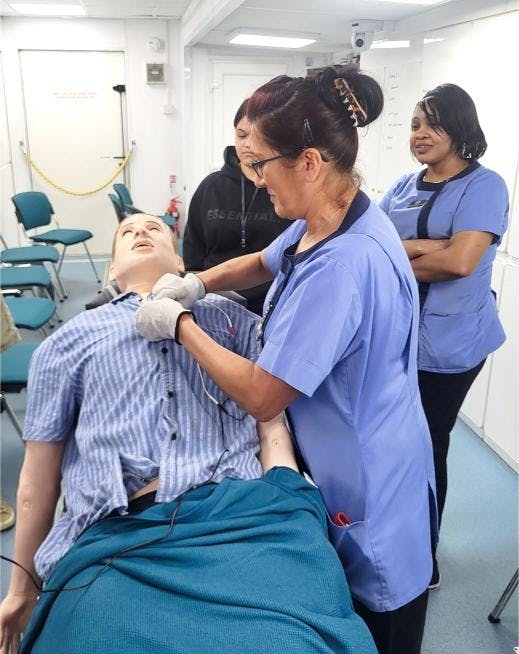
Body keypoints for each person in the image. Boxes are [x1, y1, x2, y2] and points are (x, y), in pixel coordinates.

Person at [135, 67, 437, 654]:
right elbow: (263, 262)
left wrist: (180, 326)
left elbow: (265, 395)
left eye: (262, 165)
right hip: (376, 437)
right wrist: (195, 281)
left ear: (308, 163)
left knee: (377, 628)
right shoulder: (330, 217)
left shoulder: (342, 268)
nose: (255, 178)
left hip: (365, 471)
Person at [0, 213, 376, 654]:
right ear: (112, 272)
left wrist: (290, 494)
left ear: (181, 265)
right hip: (121, 537)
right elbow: (37, 481)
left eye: (155, 229)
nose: (141, 232)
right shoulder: (65, 345)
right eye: (126, 232)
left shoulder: (234, 323)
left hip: (247, 518)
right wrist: (22, 591)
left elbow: (271, 425)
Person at [379, 83, 508, 589]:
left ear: (460, 127)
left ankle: (423, 557)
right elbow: (376, 245)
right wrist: (424, 245)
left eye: (432, 124)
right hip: (400, 339)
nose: (420, 135)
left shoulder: (485, 185)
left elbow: (460, 262)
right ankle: (394, 538)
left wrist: (409, 253)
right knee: (394, 443)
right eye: (414, 125)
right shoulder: (404, 185)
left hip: (451, 347)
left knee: (427, 444)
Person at [183, 98, 289, 315]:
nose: (247, 144)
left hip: (269, 306)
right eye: (241, 135)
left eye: (258, 136)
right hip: (211, 300)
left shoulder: (285, 192)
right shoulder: (211, 187)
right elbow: (193, 248)